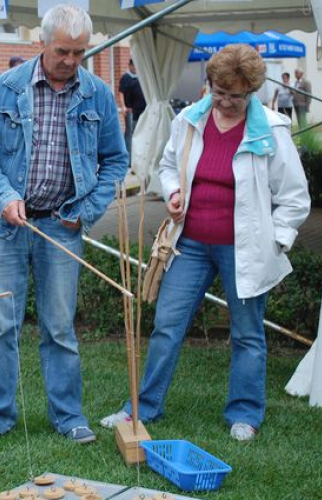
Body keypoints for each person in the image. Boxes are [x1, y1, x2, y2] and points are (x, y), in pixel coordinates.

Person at [100, 44, 310, 441]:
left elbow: (295, 197)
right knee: (166, 325)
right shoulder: (189, 120)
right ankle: (142, 408)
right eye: (220, 92)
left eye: (237, 95)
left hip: (245, 250)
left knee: (247, 334)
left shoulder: (271, 129)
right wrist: (175, 191)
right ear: (209, 84)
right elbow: (167, 165)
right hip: (191, 243)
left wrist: (276, 242)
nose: (227, 102)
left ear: (252, 91)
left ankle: (244, 415)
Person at [0, 4, 128, 445]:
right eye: (63, 51)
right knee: (1, 325)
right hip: (7, 228)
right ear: (41, 42)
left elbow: (116, 160)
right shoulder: (6, 87)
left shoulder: (96, 94)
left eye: (80, 52)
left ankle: (68, 414)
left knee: (60, 326)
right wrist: (4, 196)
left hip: (63, 226)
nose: (72, 61)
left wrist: (89, 209)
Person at [118, 59, 146, 165]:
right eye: (134, 66)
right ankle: (128, 160)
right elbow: (121, 92)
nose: (135, 68)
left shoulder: (139, 78)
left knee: (138, 134)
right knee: (130, 134)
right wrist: (123, 107)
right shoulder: (126, 77)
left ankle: (137, 158)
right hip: (130, 110)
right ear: (130, 66)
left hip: (140, 110)